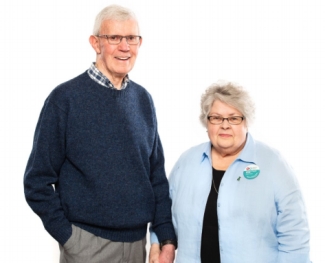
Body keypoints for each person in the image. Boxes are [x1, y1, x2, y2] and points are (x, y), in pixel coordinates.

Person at [23, 5, 176, 263]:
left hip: (137, 244)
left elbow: (156, 177)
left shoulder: (143, 100)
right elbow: (36, 182)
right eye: (114, 38)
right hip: (87, 246)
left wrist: (166, 236)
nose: (124, 47)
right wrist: (69, 238)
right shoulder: (65, 99)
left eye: (131, 38)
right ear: (96, 43)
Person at [149, 81, 311, 263]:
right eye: (216, 118)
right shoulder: (186, 162)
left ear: (246, 121)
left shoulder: (273, 164)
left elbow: (295, 237)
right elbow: (162, 211)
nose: (224, 125)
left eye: (234, 118)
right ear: (206, 121)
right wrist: (157, 244)